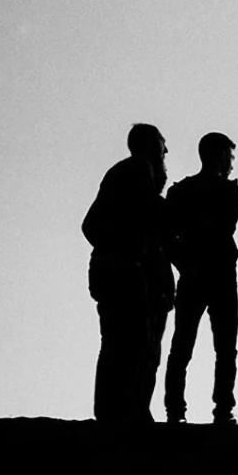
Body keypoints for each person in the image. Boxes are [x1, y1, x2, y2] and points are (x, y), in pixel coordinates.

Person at [82, 123, 175, 423]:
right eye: (163, 145)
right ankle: (119, 414)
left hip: (121, 272)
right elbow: (148, 213)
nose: (167, 152)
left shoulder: (126, 175)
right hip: (123, 273)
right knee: (130, 343)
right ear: (150, 146)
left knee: (125, 342)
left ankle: (121, 412)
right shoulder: (137, 170)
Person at [163, 131, 238, 426]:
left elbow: (170, 235)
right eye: (229, 156)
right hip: (215, 272)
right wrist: (186, 262)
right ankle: (219, 409)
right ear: (219, 156)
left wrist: (185, 262)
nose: (232, 163)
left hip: (200, 272)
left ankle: (177, 409)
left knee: (185, 344)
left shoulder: (182, 191)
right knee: (220, 345)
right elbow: (224, 227)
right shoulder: (225, 191)